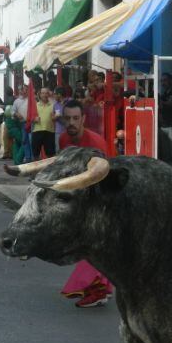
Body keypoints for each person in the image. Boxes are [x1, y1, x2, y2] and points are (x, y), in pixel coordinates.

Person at [57, 99, 112, 308]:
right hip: (79, 199)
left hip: (101, 198)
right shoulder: (63, 139)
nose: (71, 122)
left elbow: (102, 178)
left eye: (76, 118)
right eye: (68, 118)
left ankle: (94, 289)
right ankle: (99, 290)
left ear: (83, 119)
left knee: (90, 246)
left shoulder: (95, 143)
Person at [32, 87, 56, 160]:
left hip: (49, 131)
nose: (44, 95)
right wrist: (34, 119)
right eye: (43, 93)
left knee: (50, 155)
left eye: (46, 93)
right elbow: (29, 118)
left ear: (49, 94)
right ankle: (35, 170)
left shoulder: (53, 105)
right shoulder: (35, 105)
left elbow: (56, 117)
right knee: (36, 154)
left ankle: (50, 170)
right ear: (40, 94)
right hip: (37, 131)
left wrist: (54, 117)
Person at [12, 83, 31, 163]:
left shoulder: (31, 100)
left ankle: (32, 157)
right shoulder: (17, 101)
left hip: (32, 123)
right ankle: (28, 158)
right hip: (23, 124)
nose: (24, 91)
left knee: (31, 140)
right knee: (24, 140)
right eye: (22, 90)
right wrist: (16, 114)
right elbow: (12, 112)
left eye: (26, 90)